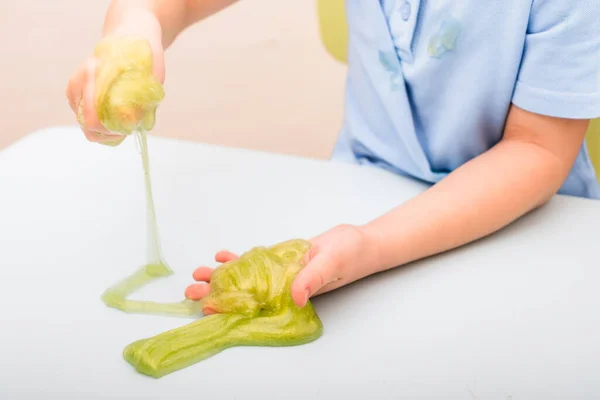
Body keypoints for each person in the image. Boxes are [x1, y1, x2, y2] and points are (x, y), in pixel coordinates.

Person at [66, 0, 600, 312]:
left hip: (531, 236)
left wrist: (369, 246)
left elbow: (537, 150)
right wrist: (133, 30)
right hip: (362, 188)